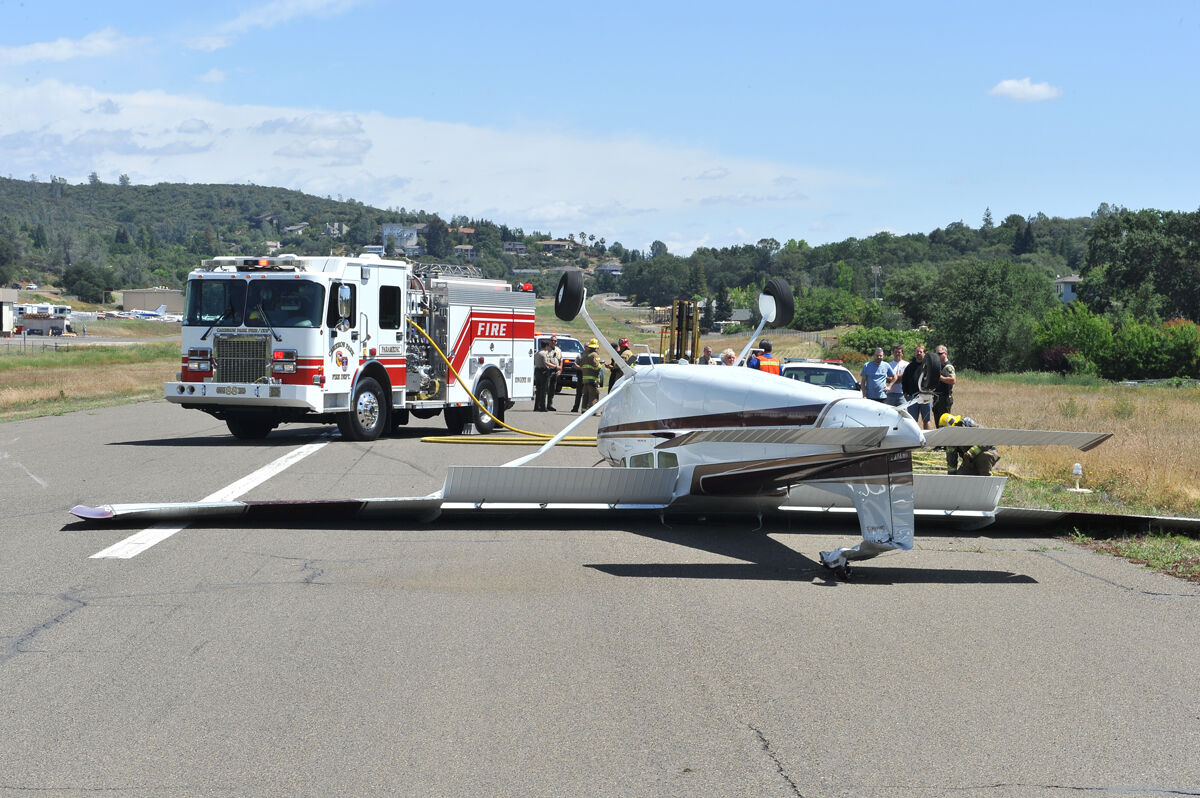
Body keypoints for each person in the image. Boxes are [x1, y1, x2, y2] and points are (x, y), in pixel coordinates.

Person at [901, 343, 939, 429]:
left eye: (920, 352)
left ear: (924, 353)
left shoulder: (929, 366)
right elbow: (904, 380)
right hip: (912, 397)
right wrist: (905, 393)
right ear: (915, 353)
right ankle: (915, 440)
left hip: (925, 396)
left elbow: (934, 379)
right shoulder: (910, 367)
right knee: (913, 421)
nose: (918, 353)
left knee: (926, 420)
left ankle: (927, 439)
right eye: (917, 352)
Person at [578, 338, 603, 410]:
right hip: (593, 379)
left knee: (585, 395)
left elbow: (582, 365)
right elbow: (596, 366)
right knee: (593, 396)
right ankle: (593, 411)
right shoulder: (594, 355)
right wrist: (601, 365)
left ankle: (584, 410)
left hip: (585, 379)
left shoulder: (585, 355)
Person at [933, 345, 956, 421]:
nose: (937, 356)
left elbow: (953, 380)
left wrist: (940, 377)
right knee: (938, 422)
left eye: (939, 354)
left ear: (945, 354)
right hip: (937, 398)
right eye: (936, 354)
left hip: (945, 398)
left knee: (945, 422)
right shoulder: (939, 365)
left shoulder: (948, 366)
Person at [533, 338, 552, 412]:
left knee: (538, 390)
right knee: (543, 390)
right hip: (543, 372)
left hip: (537, 371)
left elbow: (534, 363)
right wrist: (555, 366)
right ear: (546, 346)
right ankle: (543, 407)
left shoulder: (537, 353)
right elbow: (546, 363)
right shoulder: (544, 353)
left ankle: (536, 406)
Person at [544, 334, 563, 411]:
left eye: (555, 341)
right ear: (549, 341)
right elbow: (545, 362)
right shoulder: (547, 350)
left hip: (555, 371)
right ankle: (542, 405)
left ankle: (550, 405)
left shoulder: (558, 350)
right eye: (552, 340)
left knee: (552, 389)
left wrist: (560, 369)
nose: (554, 342)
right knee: (546, 388)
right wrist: (555, 367)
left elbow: (561, 360)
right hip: (548, 371)